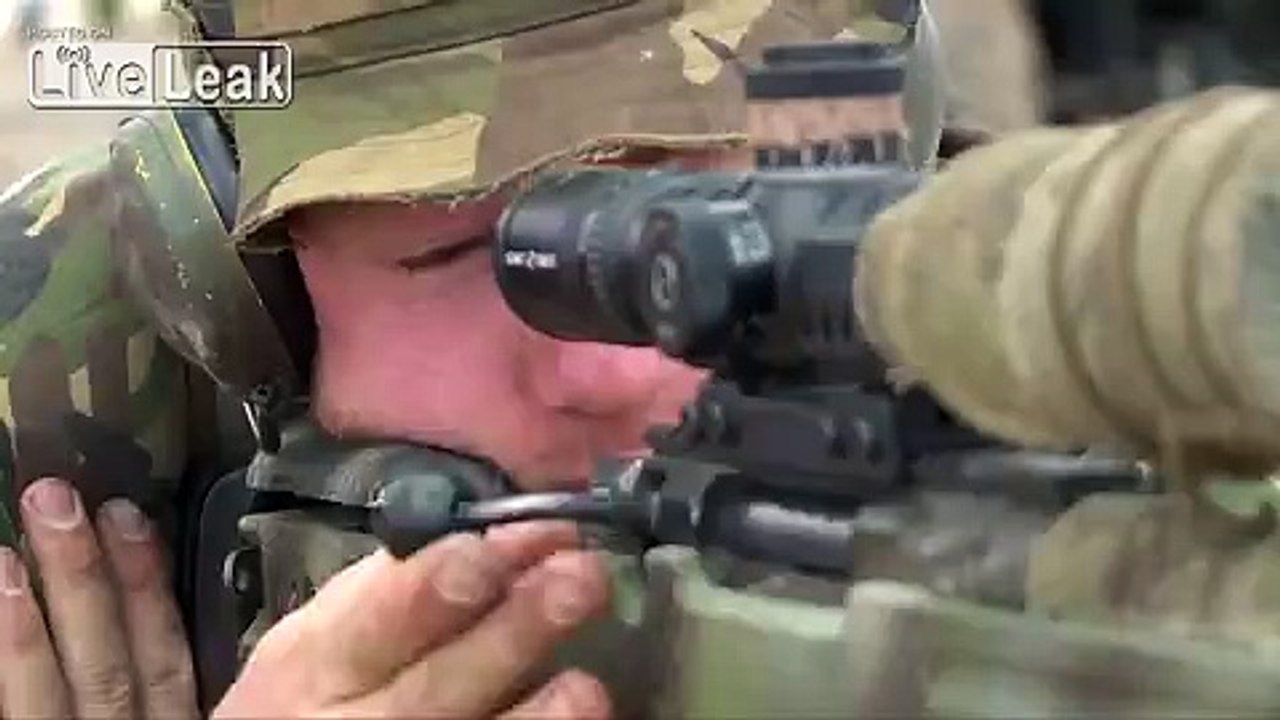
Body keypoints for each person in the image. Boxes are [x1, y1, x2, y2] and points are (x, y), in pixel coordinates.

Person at [0, 0, 1097, 717]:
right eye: (456, 251)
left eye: (719, 219)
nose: (616, 370)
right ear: (248, 291)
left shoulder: (1100, 382)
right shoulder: (60, 423)